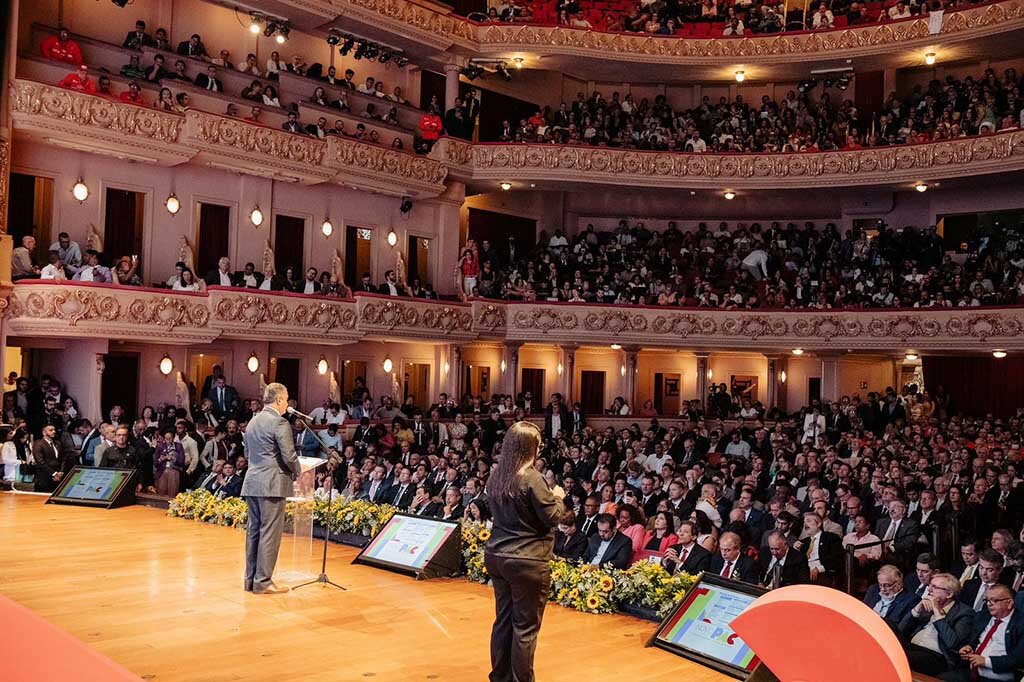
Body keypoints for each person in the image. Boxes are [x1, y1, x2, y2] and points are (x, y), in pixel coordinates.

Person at [484, 421, 566, 682]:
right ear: (531, 447)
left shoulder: (496, 475)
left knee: (503, 621)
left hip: (497, 555)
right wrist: (559, 497)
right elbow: (553, 517)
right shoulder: (532, 477)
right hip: (527, 559)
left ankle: (500, 677)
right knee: (525, 627)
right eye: (538, 444)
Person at [241, 383, 302, 594]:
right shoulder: (279, 422)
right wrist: (298, 471)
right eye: (285, 400)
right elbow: (289, 456)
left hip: (253, 482)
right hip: (273, 484)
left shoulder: (252, 422)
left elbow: (248, 454)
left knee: (254, 532)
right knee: (270, 533)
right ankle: (264, 582)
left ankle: (251, 581)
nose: (286, 405)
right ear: (278, 400)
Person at [898, 572, 975, 676]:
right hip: (914, 647)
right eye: (930, 585)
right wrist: (917, 609)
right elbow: (901, 630)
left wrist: (937, 612)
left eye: (935, 587)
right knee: (889, 629)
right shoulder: (927, 604)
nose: (929, 589)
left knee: (899, 656)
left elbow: (953, 644)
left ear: (949, 594)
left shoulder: (964, 612)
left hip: (937, 657)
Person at [945, 584, 1024, 681]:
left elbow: (1018, 659)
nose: (989, 604)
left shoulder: (1020, 624)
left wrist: (986, 661)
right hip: (970, 672)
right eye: (987, 600)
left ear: (1009, 603)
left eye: (994, 600)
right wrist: (968, 648)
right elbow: (972, 641)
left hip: (997, 678)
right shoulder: (982, 616)